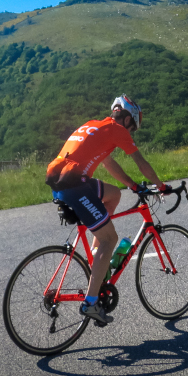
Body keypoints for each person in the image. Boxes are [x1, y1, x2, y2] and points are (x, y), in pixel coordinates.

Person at [45, 94, 172, 324]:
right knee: (110, 239)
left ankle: (96, 255)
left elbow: (108, 163)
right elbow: (141, 163)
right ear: (126, 119)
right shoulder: (117, 130)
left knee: (114, 195)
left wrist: (132, 185)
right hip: (75, 185)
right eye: (132, 127)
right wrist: (162, 186)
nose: (130, 133)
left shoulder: (95, 125)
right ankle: (91, 303)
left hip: (59, 178)